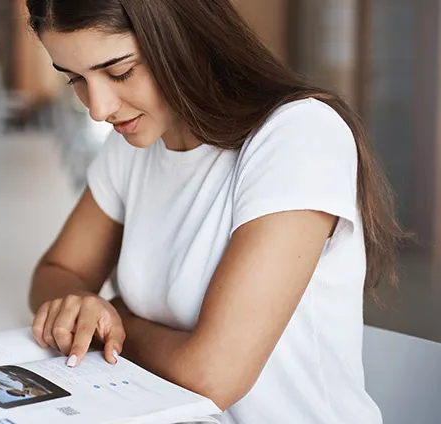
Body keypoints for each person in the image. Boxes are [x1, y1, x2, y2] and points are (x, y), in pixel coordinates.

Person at [24, 1, 406, 423]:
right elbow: (58, 270)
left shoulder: (298, 136)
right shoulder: (133, 144)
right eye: (76, 79)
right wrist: (80, 304)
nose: (98, 109)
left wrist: (115, 322)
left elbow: (211, 377)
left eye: (120, 72)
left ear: (183, 37)